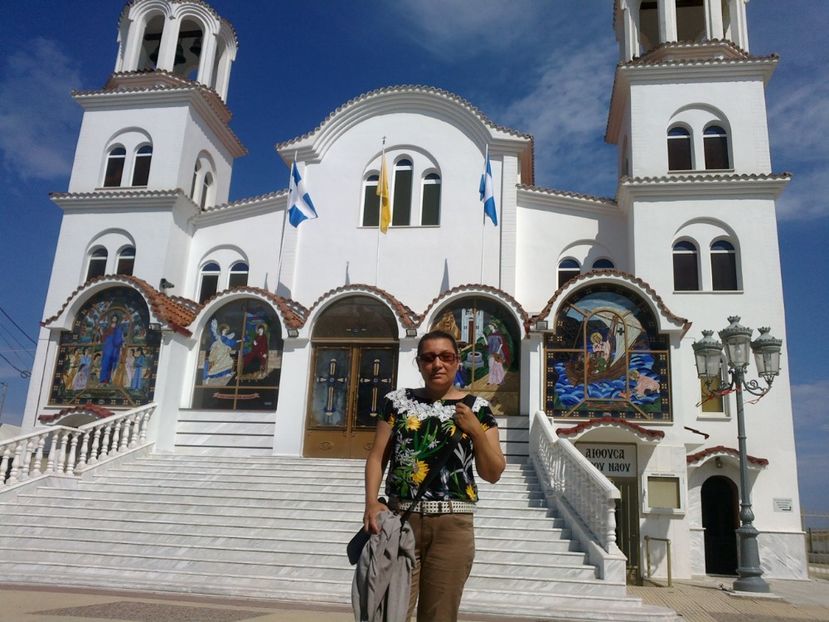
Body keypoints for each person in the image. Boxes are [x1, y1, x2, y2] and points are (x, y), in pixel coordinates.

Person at [363, 330, 506, 621]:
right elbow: (378, 455)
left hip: (452, 525)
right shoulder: (397, 402)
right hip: (402, 522)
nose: (437, 364)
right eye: (428, 358)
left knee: (439, 615)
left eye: (446, 357)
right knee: (391, 611)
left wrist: (476, 431)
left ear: (457, 363)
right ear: (418, 363)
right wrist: (371, 502)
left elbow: (493, 472)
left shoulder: (478, 409)